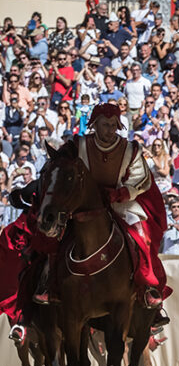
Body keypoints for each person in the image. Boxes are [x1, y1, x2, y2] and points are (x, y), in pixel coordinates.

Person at [33, 103, 170, 312]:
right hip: (83, 202)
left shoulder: (131, 149)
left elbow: (141, 178)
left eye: (113, 125)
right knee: (55, 235)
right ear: (94, 125)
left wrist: (121, 193)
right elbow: (58, 166)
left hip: (121, 201)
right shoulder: (78, 145)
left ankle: (146, 285)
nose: (109, 130)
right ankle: (48, 283)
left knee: (142, 234)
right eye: (105, 125)